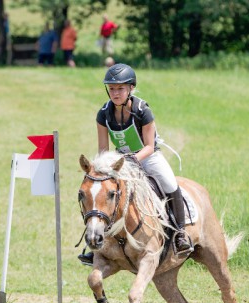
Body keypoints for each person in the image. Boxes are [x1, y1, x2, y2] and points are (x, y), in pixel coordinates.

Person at [78, 64, 192, 266]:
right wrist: (105, 168)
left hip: (148, 157)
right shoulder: (103, 114)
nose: (115, 93)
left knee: (170, 184)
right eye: (112, 89)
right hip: (120, 161)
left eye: (120, 89)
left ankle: (181, 234)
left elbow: (149, 146)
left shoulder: (142, 110)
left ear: (130, 88)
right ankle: (96, 243)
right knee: (101, 192)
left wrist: (133, 160)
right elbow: (103, 149)